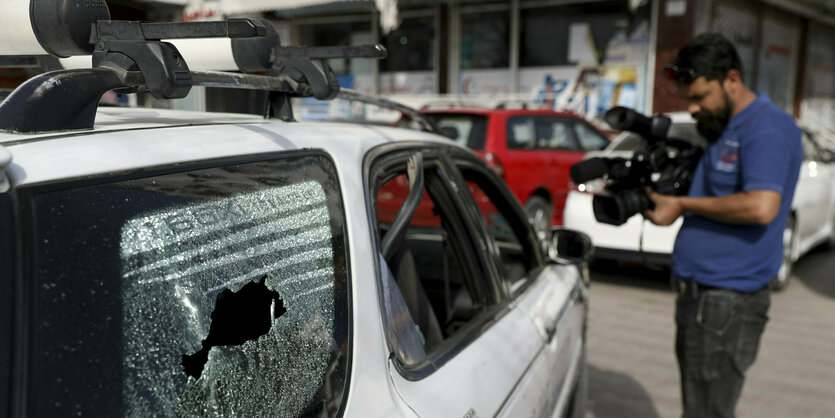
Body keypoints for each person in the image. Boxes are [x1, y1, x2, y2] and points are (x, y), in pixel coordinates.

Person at [644, 33, 802, 418]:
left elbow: (761, 206)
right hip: (707, 299)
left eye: (700, 97)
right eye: (688, 100)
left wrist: (681, 204)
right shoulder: (724, 124)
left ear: (732, 79)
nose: (694, 108)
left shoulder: (765, 128)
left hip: (725, 302)